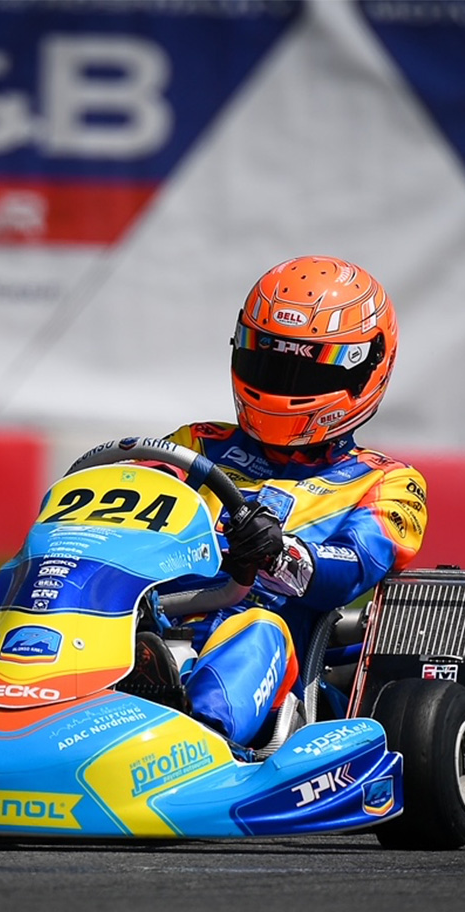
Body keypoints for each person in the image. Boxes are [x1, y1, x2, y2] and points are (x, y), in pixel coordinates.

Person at [164, 255, 427, 749]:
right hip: (148, 621)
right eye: (269, 363)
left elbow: (354, 566)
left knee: (256, 631)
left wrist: (278, 553)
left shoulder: (387, 482)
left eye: (302, 373)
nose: (281, 386)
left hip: (268, 649)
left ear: (365, 369)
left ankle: (194, 741)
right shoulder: (194, 445)